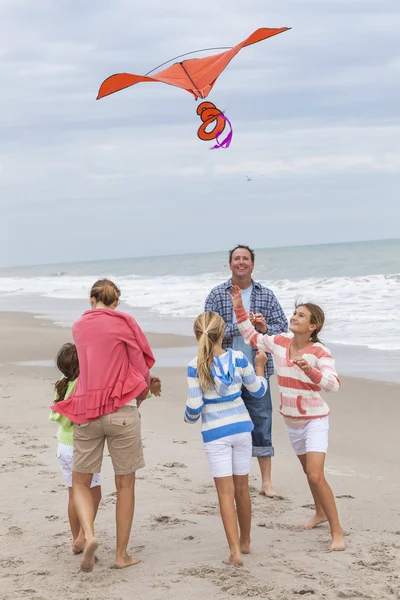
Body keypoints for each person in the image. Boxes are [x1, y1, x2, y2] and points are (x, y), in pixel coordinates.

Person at [51, 278, 161, 571]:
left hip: (87, 411)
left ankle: (87, 534)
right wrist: (140, 395)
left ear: (91, 299)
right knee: (125, 484)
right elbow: (142, 364)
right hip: (122, 411)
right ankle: (121, 555)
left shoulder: (78, 326)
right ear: (116, 302)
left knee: (80, 482)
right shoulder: (125, 322)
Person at [229, 284, 345, 551]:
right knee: (308, 472)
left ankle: (337, 532)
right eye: (295, 313)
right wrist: (238, 305)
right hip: (291, 420)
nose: (294, 317)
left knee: (315, 475)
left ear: (313, 326)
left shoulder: (319, 353)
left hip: (315, 419)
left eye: (301, 315)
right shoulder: (280, 341)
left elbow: (333, 384)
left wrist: (311, 372)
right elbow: (250, 336)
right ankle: (320, 513)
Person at [185, 311, 268, 565]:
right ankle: (245, 541)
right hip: (242, 428)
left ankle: (233, 552)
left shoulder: (195, 366)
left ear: (197, 335)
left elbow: (193, 410)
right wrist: (260, 366)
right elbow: (258, 390)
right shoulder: (239, 358)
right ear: (223, 334)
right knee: (242, 488)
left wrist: (190, 415)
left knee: (225, 493)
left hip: (216, 433)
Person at [205, 244, 288, 498]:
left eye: (246, 259)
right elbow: (208, 331)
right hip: (225, 372)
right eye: (236, 259)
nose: (241, 262)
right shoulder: (218, 295)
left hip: (258, 368)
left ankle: (266, 482)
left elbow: (282, 327)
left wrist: (262, 328)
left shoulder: (267, 294)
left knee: (262, 422)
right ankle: (231, 479)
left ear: (253, 264)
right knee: (230, 426)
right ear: (230, 264)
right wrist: (241, 326)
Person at [49, 343, 102, 555]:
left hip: (63, 446)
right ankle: (83, 536)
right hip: (80, 448)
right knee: (94, 494)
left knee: (74, 494)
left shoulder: (61, 385)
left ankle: (76, 540)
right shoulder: (83, 384)